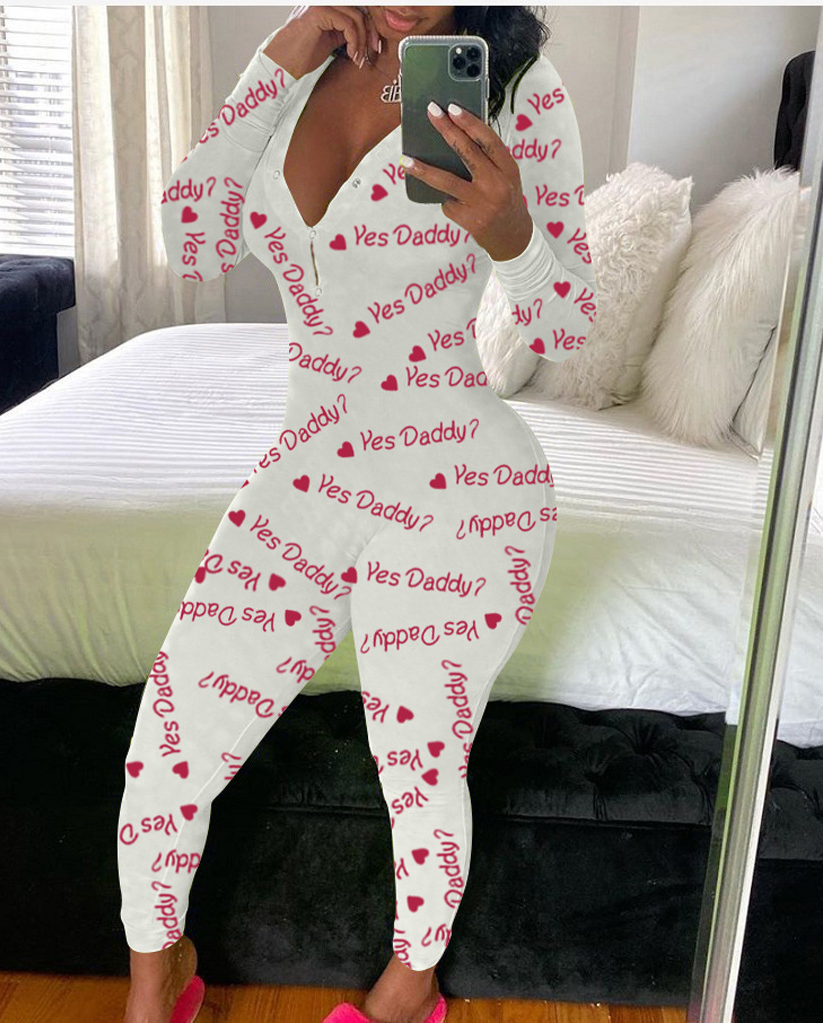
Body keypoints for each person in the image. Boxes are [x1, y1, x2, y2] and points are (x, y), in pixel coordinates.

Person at [119, 6, 595, 1022]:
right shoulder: (300, 65)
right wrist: (277, 55)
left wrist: (512, 237)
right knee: (172, 735)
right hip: (310, 462)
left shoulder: (517, 85)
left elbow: (568, 324)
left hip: (459, 485)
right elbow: (192, 242)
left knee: (417, 757)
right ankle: (156, 977)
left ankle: (407, 987)